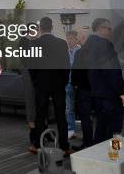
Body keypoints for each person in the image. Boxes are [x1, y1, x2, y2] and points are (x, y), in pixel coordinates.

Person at [83, 18, 124, 144]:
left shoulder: (88, 45)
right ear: (100, 29)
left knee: (101, 126)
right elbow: (111, 72)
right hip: (110, 94)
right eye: (109, 29)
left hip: (97, 93)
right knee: (115, 128)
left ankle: (101, 155)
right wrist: (122, 92)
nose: (111, 31)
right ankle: (115, 155)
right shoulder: (104, 44)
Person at [29, 17, 72, 155]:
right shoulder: (61, 43)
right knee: (61, 115)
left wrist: (36, 81)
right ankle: (65, 146)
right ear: (52, 27)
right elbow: (66, 66)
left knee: (40, 115)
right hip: (58, 84)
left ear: (40, 28)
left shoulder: (33, 44)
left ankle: (38, 145)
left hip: (41, 84)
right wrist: (63, 81)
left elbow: (31, 67)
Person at [66, 30, 81, 140]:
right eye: (68, 39)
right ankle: (71, 130)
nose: (69, 41)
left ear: (76, 39)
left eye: (71, 39)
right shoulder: (65, 52)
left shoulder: (81, 51)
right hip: (68, 83)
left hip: (79, 84)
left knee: (82, 107)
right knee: (69, 108)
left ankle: (86, 130)